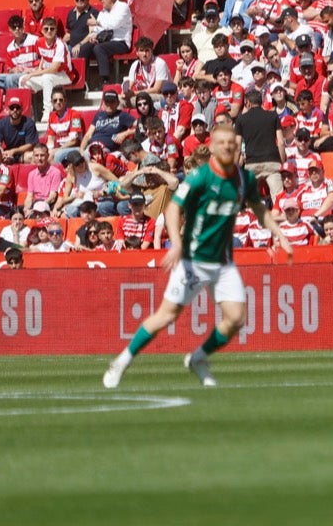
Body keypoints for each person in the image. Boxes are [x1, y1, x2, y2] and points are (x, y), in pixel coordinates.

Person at [103, 129, 292, 389]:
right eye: (222, 143)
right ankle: (122, 361)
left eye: (232, 144)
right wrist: (177, 244)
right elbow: (172, 209)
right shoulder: (200, 178)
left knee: (236, 318)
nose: (228, 148)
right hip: (194, 260)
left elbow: (258, 207)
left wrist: (279, 233)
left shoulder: (244, 178)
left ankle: (198, 358)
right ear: (212, 148)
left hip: (223, 263)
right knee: (167, 315)